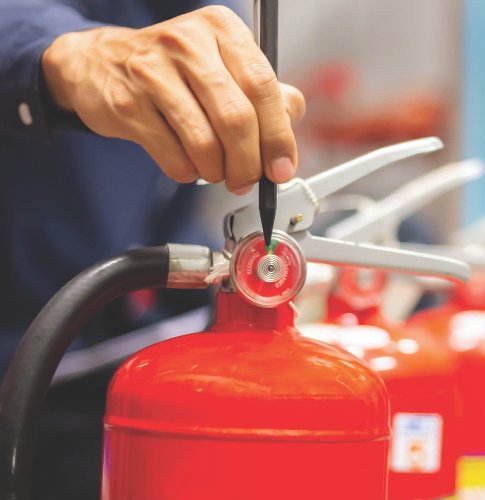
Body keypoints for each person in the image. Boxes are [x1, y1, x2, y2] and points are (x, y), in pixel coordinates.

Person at [0, 1, 305, 497]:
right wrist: (66, 52)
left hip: (84, 382)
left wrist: (232, 285)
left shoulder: (206, 17)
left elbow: (165, 215)